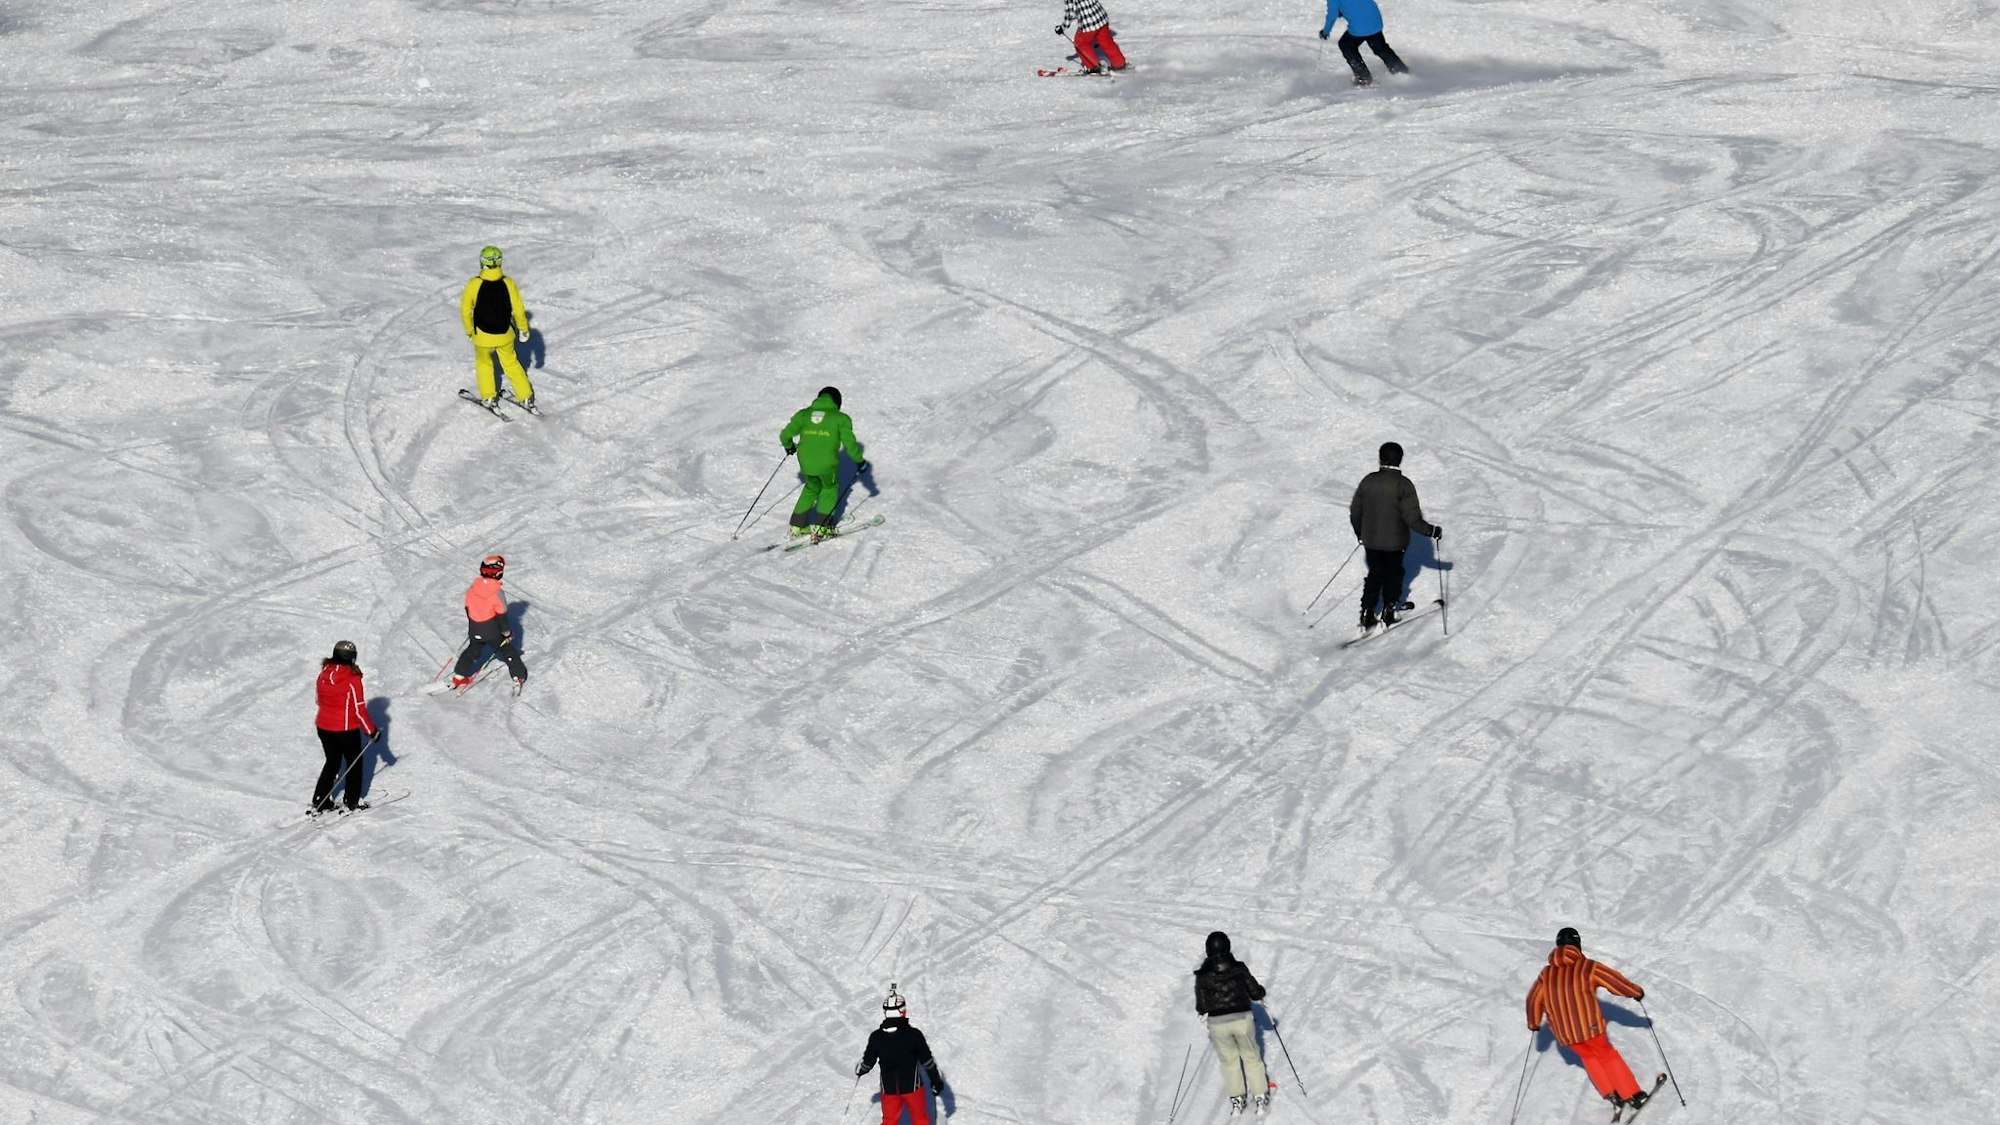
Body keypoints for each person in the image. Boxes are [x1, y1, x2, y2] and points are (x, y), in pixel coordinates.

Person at [1526, 928, 1654, 1114]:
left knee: (1588, 1057)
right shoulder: (1587, 967)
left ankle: (1612, 1094)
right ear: (1577, 945)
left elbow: (1533, 1000)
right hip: (1589, 1027)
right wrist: (1635, 992)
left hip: (1565, 1034)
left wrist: (1534, 1023)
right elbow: (1614, 981)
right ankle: (1633, 1095)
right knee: (1606, 1055)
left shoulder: (1546, 974)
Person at [1348, 441, 1440, 632]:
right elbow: (1412, 518)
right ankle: (1390, 610)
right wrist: (1431, 531)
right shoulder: (1404, 485)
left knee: (1375, 573)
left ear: (1381, 458)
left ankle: (1367, 612)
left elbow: (1355, 510)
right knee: (1394, 573)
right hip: (1395, 542)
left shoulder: (1368, 480)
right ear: (1399, 460)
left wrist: (1360, 533)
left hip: (1371, 541)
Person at [1194, 931, 1272, 1116]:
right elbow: (1255, 992)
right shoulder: (1239, 968)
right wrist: (1260, 992)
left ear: (1208, 950)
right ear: (1228, 947)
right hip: (1242, 1020)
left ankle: (1237, 1100)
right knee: (1251, 1057)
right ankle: (1260, 1097)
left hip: (1218, 1024)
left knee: (1229, 1062)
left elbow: (1201, 1006)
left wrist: (1206, 1009)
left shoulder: (1203, 975)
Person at [780, 386, 867, 541]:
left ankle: (796, 526)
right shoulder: (840, 418)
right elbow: (850, 445)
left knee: (811, 488)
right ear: (837, 402)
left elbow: (785, 435)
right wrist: (860, 462)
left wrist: (789, 447)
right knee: (829, 489)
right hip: (827, 466)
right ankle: (822, 528)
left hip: (806, 464)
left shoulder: (804, 414)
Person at [459, 245, 536, 410]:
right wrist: (523, 329)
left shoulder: (474, 284)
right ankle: (526, 397)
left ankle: (488, 397)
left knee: (484, 363)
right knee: (510, 362)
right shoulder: (508, 283)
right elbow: (518, 310)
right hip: (505, 334)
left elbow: (465, 310)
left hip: (482, 335)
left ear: (482, 263)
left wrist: (469, 330)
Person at [856, 985, 947, 1125]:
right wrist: (936, 1081)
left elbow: (868, 1062)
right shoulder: (914, 1035)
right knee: (919, 1119)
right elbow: (927, 1061)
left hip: (889, 1088)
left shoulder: (876, 1037)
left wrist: (861, 1069)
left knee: (889, 1121)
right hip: (913, 1087)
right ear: (902, 1011)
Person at [313, 640, 379, 814]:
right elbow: (359, 710)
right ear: (352, 657)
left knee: (332, 762)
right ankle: (352, 801)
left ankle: (320, 799)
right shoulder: (352, 678)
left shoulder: (324, 674)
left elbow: (319, 700)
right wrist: (371, 731)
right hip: (345, 729)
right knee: (354, 763)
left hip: (323, 727)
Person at [450, 554, 529, 692]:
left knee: (472, 650)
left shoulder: (472, 589)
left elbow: (468, 609)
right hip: (492, 632)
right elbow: (501, 617)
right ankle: (518, 675)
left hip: (475, 629)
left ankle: (459, 676)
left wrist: (475, 627)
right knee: (508, 650)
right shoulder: (497, 593)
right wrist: (507, 633)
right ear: (499, 574)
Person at [1318, 0, 1408, 87]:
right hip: (1374, 20)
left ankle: (1363, 77)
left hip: (1359, 27)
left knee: (1346, 45)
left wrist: (1325, 32)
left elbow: (1332, 15)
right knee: (1380, 48)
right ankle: (1401, 71)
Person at [1056, 0, 1127, 74]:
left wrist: (1063, 26)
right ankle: (1119, 63)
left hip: (1089, 23)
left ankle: (1093, 67)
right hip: (1101, 17)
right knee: (1106, 41)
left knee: (1080, 42)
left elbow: (1070, 13)